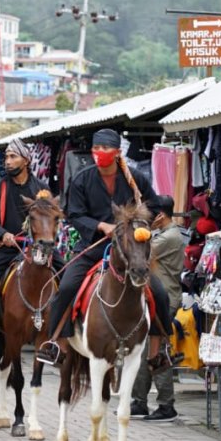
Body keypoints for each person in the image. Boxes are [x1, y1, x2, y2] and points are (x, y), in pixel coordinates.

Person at [40, 129, 172, 365]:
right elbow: (74, 214)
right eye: (96, 148)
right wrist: (101, 226)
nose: (99, 152)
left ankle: (158, 351)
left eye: (105, 148)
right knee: (66, 288)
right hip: (92, 246)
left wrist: (138, 223)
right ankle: (58, 345)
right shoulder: (82, 178)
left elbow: (152, 205)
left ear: (118, 152)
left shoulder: (135, 178)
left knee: (160, 294)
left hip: (130, 250)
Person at [0, 138, 50, 339]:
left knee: (63, 272)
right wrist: (2, 234)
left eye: (13, 157)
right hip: (6, 248)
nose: (7, 161)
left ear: (26, 160)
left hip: (37, 248)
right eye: (6, 157)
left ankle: (59, 330)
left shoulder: (42, 189)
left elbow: (49, 218)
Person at [131, 195, 182, 422]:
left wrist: (146, 230)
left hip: (165, 299)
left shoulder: (169, 237)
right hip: (153, 298)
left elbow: (141, 252)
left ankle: (166, 405)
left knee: (157, 349)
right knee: (143, 351)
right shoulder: (164, 234)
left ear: (160, 215)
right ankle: (139, 402)